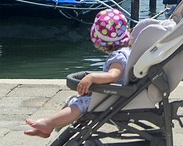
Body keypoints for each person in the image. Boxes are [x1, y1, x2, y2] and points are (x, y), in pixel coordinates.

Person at [24, 9, 131, 137]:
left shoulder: (118, 57)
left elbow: (113, 75)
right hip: (115, 94)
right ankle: (49, 125)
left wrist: (92, 77)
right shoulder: (128, 51)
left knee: (79, 103)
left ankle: (49, 124)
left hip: (112, 98)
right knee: (74, 101)